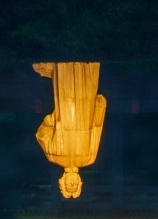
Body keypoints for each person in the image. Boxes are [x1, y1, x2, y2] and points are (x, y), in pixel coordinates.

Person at [32, 60, 106, 197]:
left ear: (63, 181)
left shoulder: (54, 157)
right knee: (86, 80)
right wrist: (99, 110)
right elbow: (96, 130)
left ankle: (61, 65)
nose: (72, 183)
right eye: (75, 185)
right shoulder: (89, 159)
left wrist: (50, 121)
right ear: (79, 182)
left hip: (65, 111)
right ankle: (86, 65)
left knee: (64, 83)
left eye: (69, 185)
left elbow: (41, 135)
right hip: (85, 111)